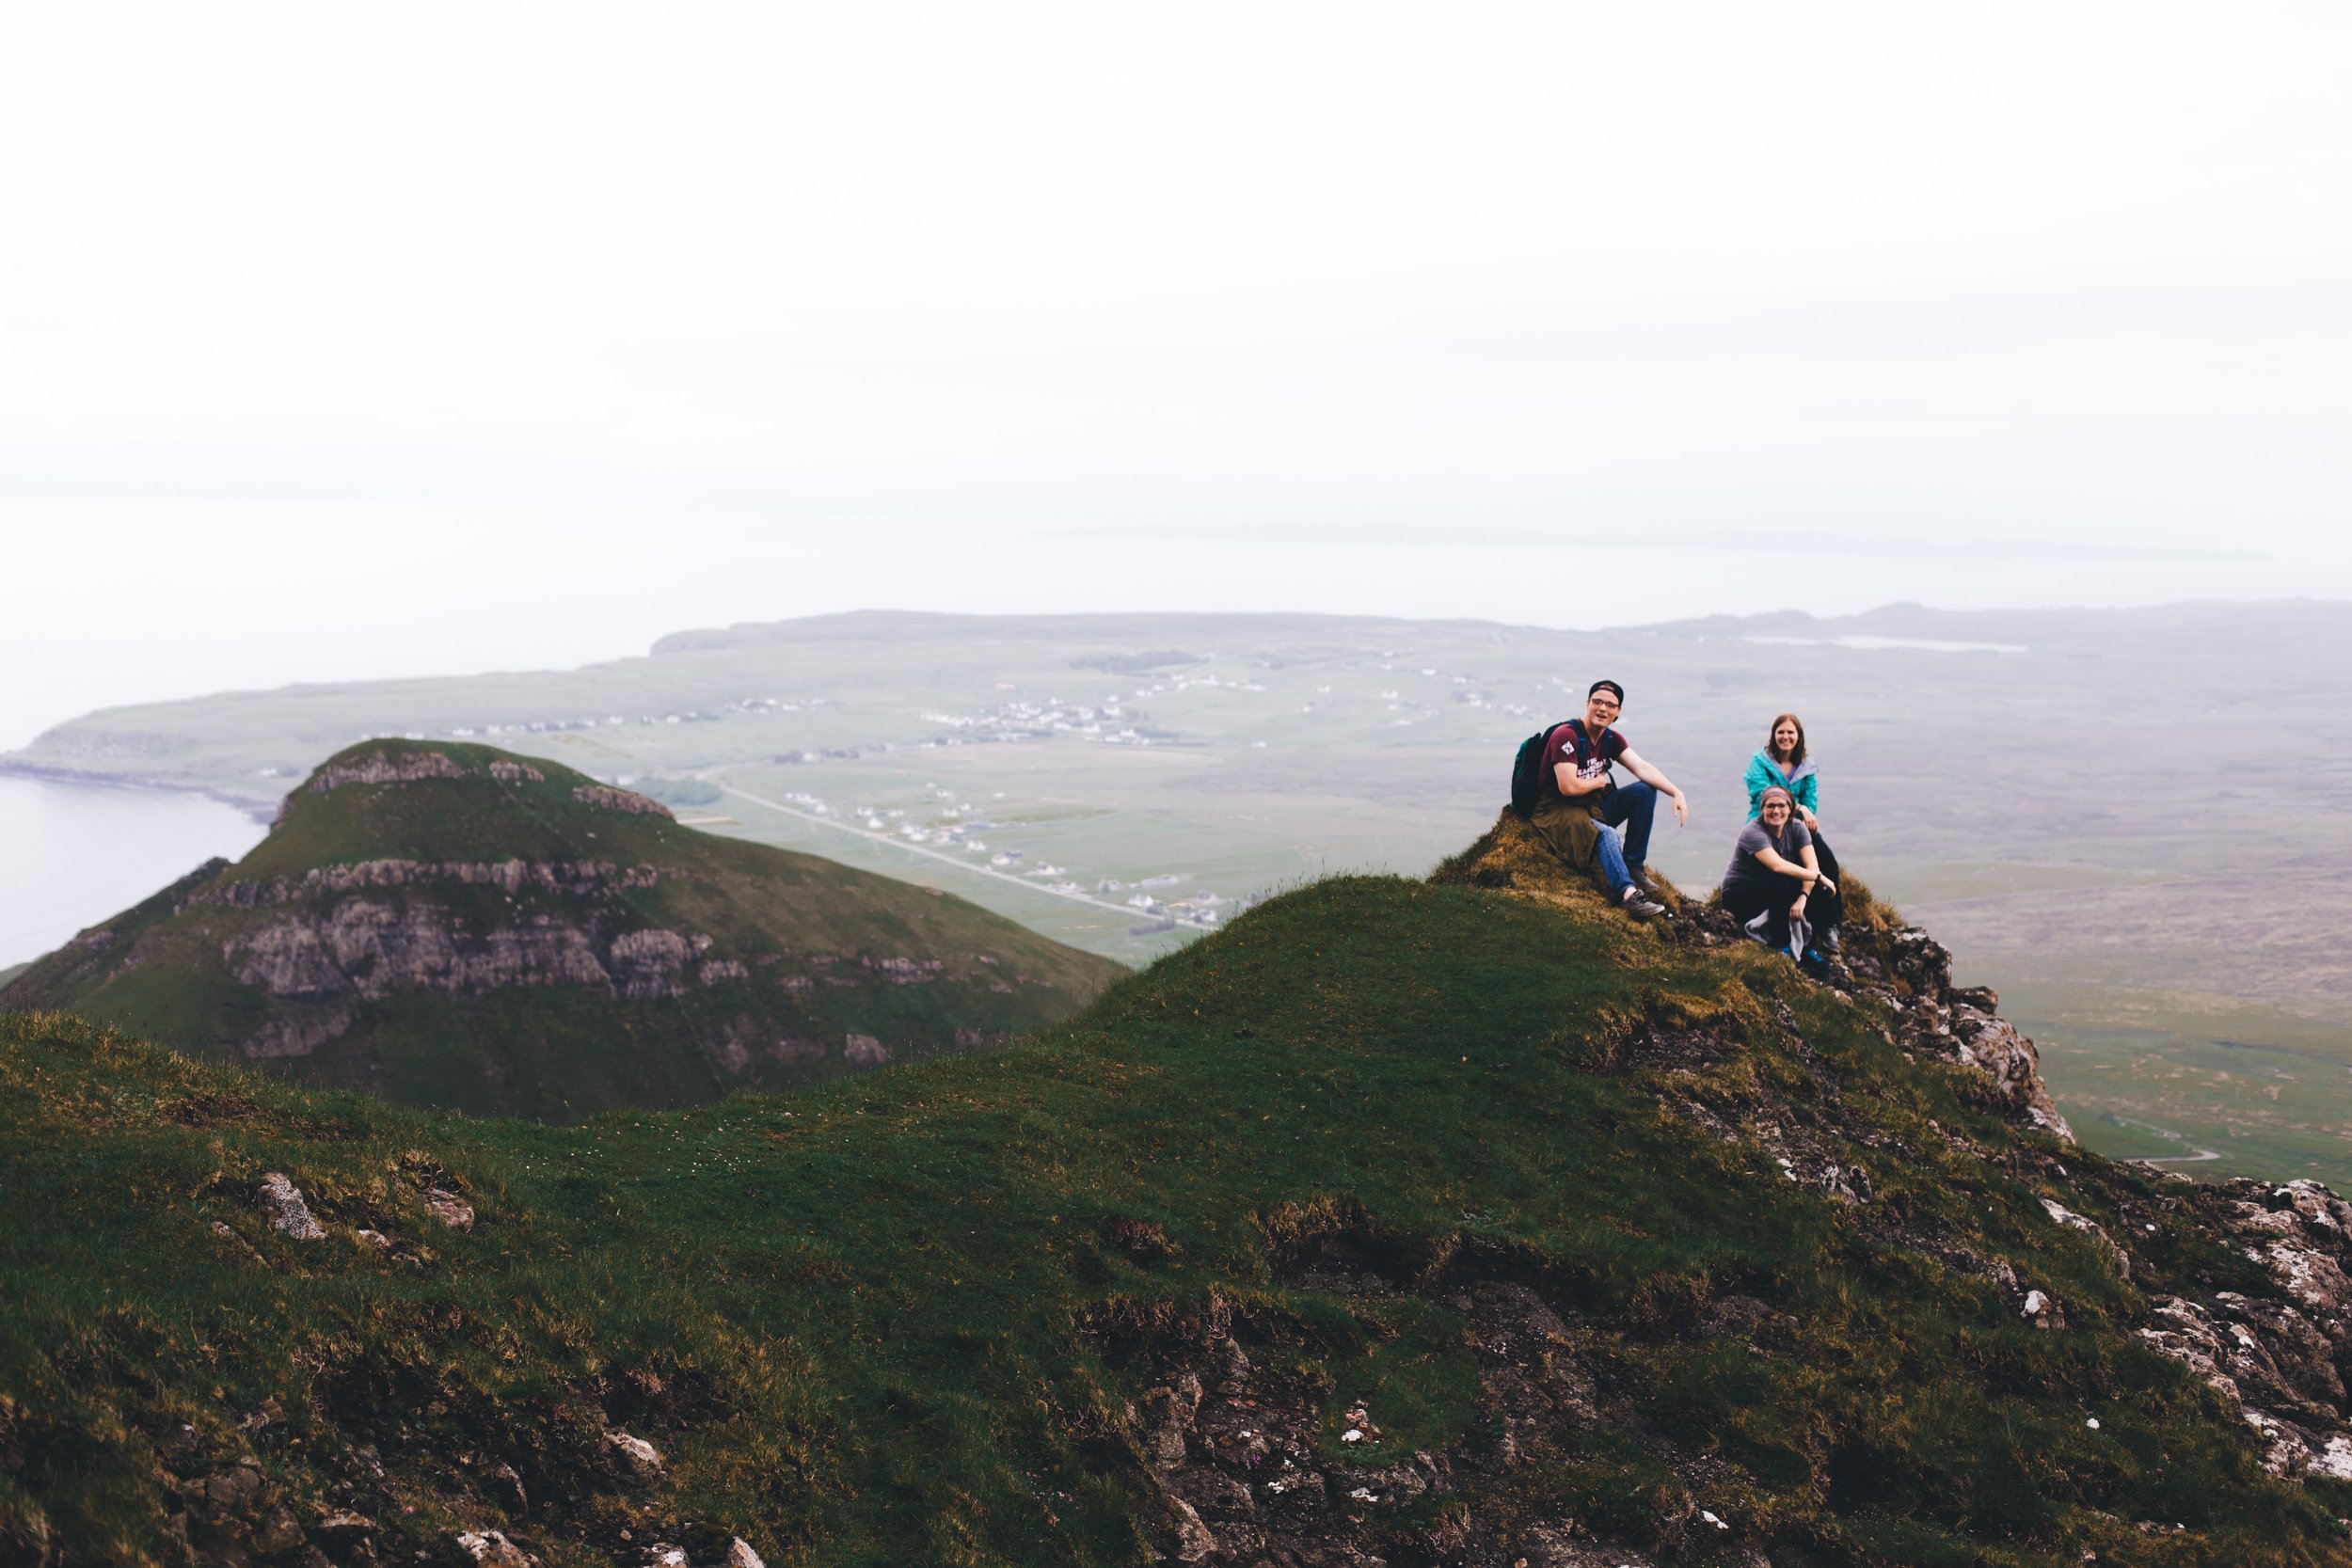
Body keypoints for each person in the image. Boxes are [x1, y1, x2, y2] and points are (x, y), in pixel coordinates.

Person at [1526, 679, 1691, 920]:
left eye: (1610, 705)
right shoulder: (1567, 736)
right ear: (1588, 704)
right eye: (1597, 702)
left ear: (1618, 712)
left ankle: (1634, 865)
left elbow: (1642, 767)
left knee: (1645, 791)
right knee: (1607, 834)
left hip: (1589, 806)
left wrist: (1677, 792)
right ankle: (1628, 895)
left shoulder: (1610, 739)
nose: (1603, 709)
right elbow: (1568, 787)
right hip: (1556, 810)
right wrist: (1599, 782)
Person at [1742, 712, 1844, 952]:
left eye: (1790, 732)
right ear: (1773, 735)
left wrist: (1803, 813)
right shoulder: (1759, 763)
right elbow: (1763, 796)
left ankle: (1829, 925)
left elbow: (1812, 801)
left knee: (1826, 864)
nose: (1785, 737)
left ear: (1798, 736)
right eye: (1781, 732)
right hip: (1765, 823)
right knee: (1780, 874)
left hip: (1796, 826)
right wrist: (1799, 808)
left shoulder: (1806, 767)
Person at [1721, 785, 1836, 961]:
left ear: (1790, 810)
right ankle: (1781, 945)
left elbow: (1811, 867)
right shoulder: (1753, 831)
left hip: (1772, 888)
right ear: (1762, 809)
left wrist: (1803, 897)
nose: (1776, 811)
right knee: (1782, 882)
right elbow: (1778, 866)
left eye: (1782, 806)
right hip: (1738, 895)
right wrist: (1820, 877)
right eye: (1770, 806)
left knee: (1816, 889)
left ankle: (1809, 946)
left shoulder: (1797, 828)